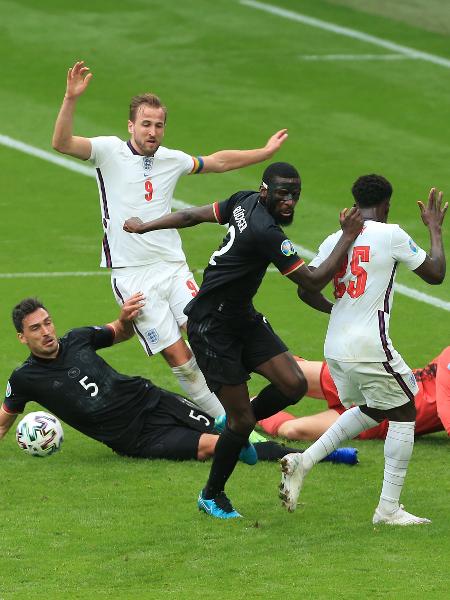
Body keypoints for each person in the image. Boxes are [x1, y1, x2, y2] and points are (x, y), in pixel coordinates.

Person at [123, 161, 363, 518]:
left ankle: (236, 422)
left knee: (293, 384)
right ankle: (212, 494)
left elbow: (193, 216)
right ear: (265, 191)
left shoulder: (243, 201)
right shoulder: (267, 232)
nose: (289, 203)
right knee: (242, 422)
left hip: (242, 318)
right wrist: (347, 236)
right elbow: (311, 282)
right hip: (211, 327)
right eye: (282, 194)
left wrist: (146, 226)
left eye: (294, 195)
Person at [51, 60, 289, 420]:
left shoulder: (171, 160)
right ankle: (228, 424)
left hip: (173, 267)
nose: (153, 131)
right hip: (132, 275)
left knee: (208, 334)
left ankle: (240, 418)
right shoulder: (108, 151)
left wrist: (264, 153)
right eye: (146, 124)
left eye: (159, 125)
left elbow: (217, 162)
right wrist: (70, 99)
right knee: (180, 357)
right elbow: (62, 143)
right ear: (131, 125)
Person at [0, 296, 357, 467]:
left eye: (47, 322)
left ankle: (320, 453)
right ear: (22, 338)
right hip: (136, 437)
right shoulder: (25, 379)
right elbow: (3, 422)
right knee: (211, 446)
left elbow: (119, 332)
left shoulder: (78, 338)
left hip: (152, 399)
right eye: (36, 328)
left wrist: (124, 318)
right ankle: (308, 457)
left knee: (232, 430)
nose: (46, 331)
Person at [279, 176, 447, 526]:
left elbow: (306, 289)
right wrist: (434, 229)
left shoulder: (334, 240)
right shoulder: (391, 234)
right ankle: (388, 509)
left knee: (373, 408)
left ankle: (303, 462)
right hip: (369, 345)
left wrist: (340, 309)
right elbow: (435, 273)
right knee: (405, 410)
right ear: (386, 204)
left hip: (336, 347)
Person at [258, 350, 450, 440]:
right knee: (285, 371)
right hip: (372, 382)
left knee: (292, 431)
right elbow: (445, 410)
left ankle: (247, 408)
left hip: (381, 420)